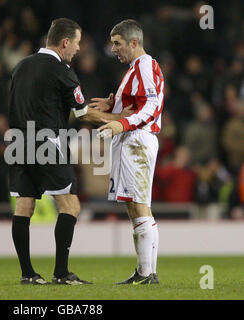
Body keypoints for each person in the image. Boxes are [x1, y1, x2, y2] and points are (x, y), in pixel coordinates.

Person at [8, 18, 120, 285]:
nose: (78, 49)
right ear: (65, 41)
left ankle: (27, 274)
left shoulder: (21, 66)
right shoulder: (62, 70)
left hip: (17, 143)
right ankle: (61, 273)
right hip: (47, 143)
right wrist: (116, 119)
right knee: (70, 204)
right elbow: (82, 113)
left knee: (24, 206)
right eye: (78, 43)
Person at [95, 20, 164, 284]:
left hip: (137, 140)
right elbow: (138, 104)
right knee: (134, 207)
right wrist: (114, 107)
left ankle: (148, 273)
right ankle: (144, 271)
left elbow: (151, 107)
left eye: (118, 43)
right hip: (131, 139)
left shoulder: (144, 65)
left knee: (139, 206)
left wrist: (120, 123)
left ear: (134, 43)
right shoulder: (137, 68)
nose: (114, 49)